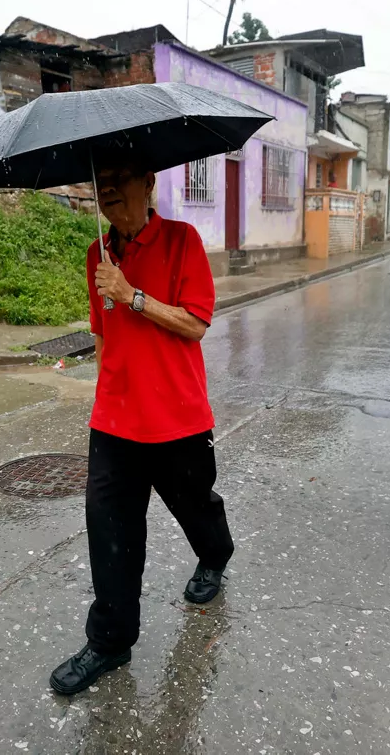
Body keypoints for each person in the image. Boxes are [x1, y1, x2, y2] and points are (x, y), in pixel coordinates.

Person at [49, 163, 235, 697]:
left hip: (178, 416)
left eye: (119, 176)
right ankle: (110, 641)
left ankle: (215, 554)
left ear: (148, 182)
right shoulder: (97, 256)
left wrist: (132, 294)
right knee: (110, 531)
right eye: (99, 180)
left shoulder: (183, 241)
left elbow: (196, 323)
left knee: (194, 505)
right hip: (116, 423)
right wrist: (104, 397)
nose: (107, 188)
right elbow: (102, 334)